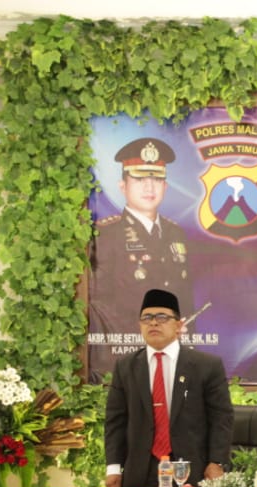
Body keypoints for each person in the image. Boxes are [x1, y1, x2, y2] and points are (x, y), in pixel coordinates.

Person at [104, 289, 233, 487]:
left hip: (192, 471)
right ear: (140, 325)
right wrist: (113, 468)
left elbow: (221, 419)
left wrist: (217, 462)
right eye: (147, 318)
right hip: (140, 472)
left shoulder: (206, 366)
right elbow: (115, 421)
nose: (153, 323)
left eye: (162, 317)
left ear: (179, 325)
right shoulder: (126, 367)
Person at [90, 137, 193, 372]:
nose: (149, 187)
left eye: (156, 179)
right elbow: (100, 303)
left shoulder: (177, 234)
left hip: (174, 357)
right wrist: (157, 330)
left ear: (165, 187)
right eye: (139, 178)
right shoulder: (106, 235)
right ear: (123, 186)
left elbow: (185, 299)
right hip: (127, 357)